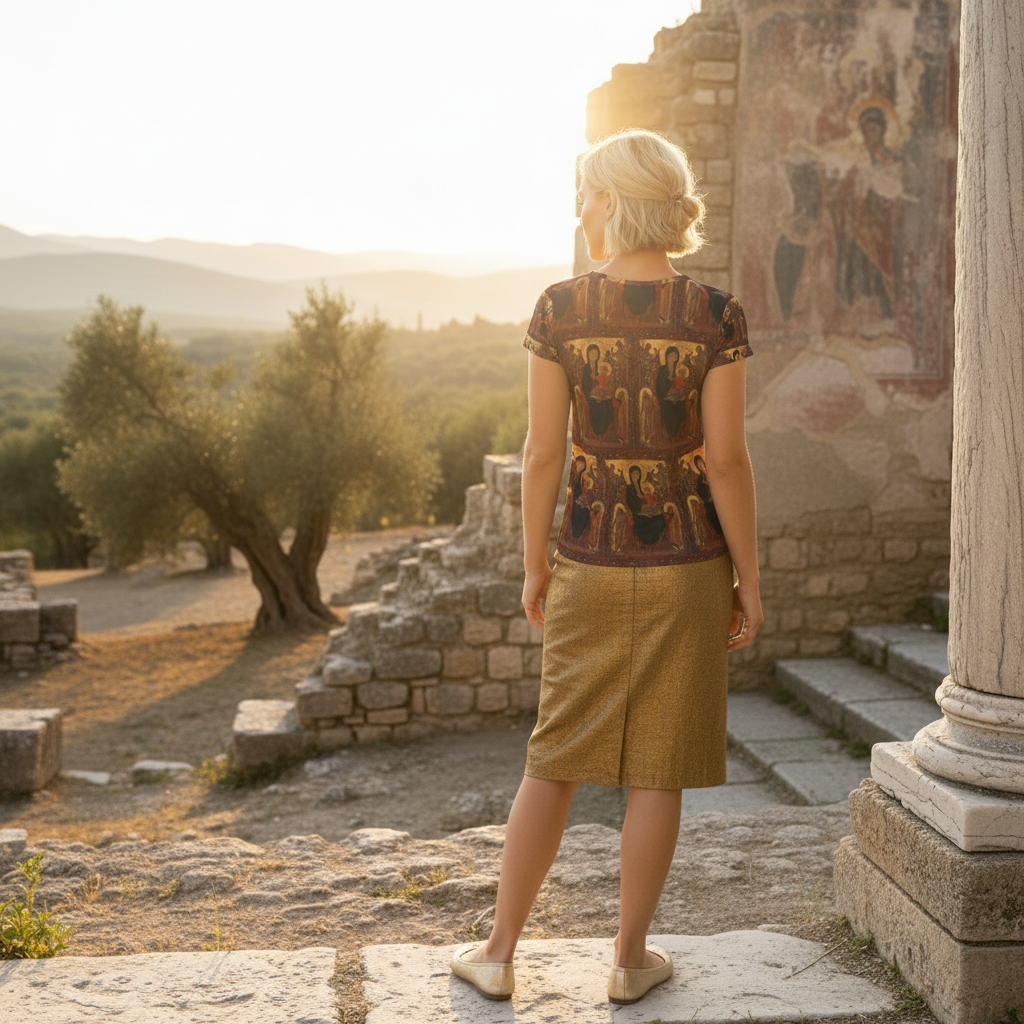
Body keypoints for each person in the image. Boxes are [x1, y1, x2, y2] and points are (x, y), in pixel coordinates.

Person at [450, 128, 763, 1005]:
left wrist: (533, 566)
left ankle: (498, 953)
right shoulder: (716, 316)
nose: (579, 211)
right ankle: (629, 960)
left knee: (552, 759)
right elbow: (727, 460)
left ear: (615, 201)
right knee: (658, 768)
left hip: (587, 560)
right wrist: (750, 578)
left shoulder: (559, 308)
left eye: (586, 194)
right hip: (689, 567)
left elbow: (541, 454)